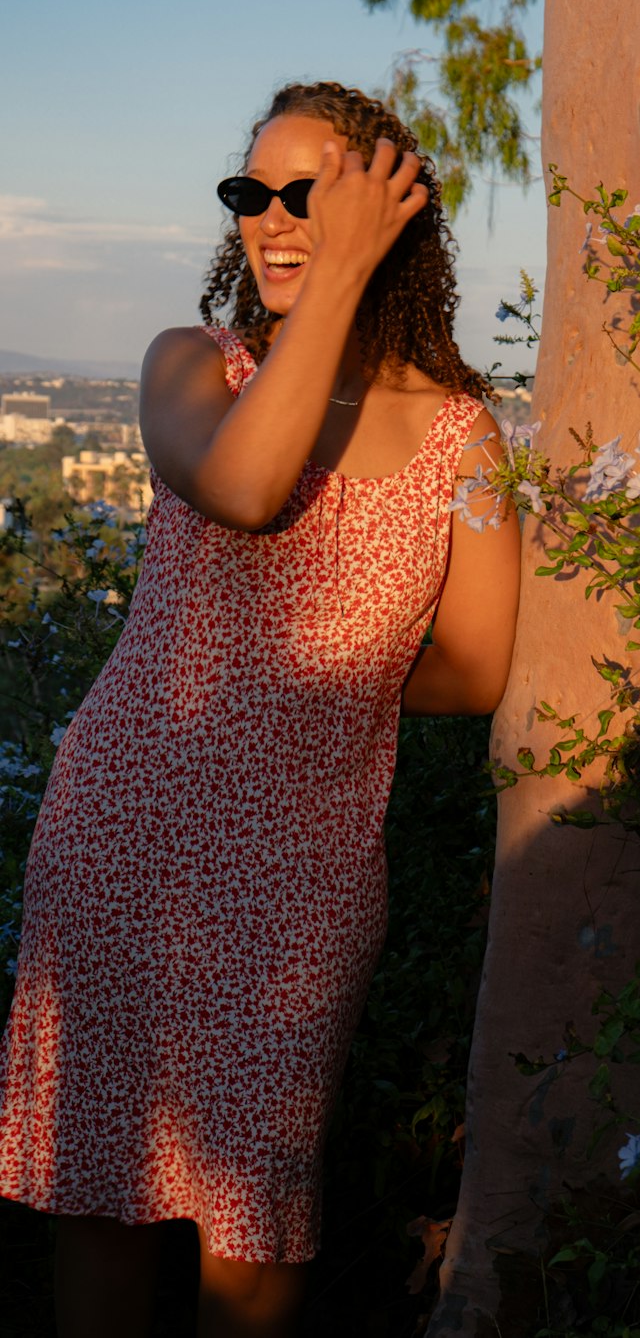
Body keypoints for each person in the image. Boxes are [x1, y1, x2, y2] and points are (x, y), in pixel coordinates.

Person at [0, 81, 521, 1337]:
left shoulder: (464, 440)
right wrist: (333, 282)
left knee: (256, 1231)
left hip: (301, 879)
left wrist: (312, 679)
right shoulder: (195, 365)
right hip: (123, 841)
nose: (276, 221)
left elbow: (476, 669)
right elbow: (240, 484)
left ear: (390, 212)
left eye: (312, 195)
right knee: (104, 1207)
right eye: (253, 194)